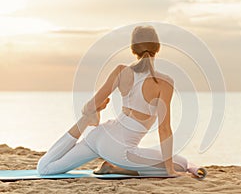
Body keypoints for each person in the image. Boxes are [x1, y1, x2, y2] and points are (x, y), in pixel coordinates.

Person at [37, 26, 189, 177]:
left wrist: (92, 113)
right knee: (181, 164)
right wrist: (170, 170)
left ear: (133, 50)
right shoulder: (164, 82)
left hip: (99, 135)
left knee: (45, 169)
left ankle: (85, 122)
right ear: (158, 48)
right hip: (120, 151)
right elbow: (164, 129)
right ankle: (117, 168)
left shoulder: (121, 71)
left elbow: (89, 106)